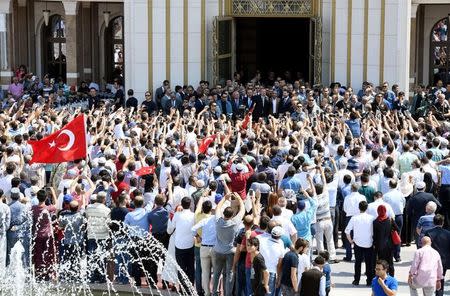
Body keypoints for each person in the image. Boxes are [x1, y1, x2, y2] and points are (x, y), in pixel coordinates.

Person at [212, 192, 245, 296]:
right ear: (232, 215)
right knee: (229, 273)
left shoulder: (218, 221)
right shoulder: (235, 222)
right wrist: (239, 199)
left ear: (224, 214)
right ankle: (228, 294)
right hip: (230, 252)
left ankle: (214, 293)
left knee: (217, 273)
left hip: (218, 251)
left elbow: (217, 208)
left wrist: (224, 198)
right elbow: (243, 210)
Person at [167, 196, 195, 289]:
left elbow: (171, 228)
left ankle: (183, 288)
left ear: (182, 205)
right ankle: (190, 287)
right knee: (190, 267)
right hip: (190, 244)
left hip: (179, 245)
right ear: (190, 205)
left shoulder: (177, 215)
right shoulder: (193, 215)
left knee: (181, 268)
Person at [345, 200, 374, 286]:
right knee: (369, 263)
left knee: (358, 262)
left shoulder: (354, 218)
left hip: (357, 243)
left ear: (359, 208)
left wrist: (350, 241)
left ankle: (356, 280)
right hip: (369, 243)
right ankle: (369, 280)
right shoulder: (371, 218)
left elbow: (347, 231)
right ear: (367, 208)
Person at [424, 214, 450, 296]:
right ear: (442, 222)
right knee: (441, 279)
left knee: (430, 279)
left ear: (433, 222)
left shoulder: (428, 233)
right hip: (444, 260)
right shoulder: (448, 233)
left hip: (431, 260)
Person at [373, 205, 397, 277]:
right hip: (389, 245)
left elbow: (375, 235)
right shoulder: (390, 220)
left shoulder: (375, 222)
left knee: (381, 263)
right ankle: (391, 277)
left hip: (380, 245)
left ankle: (381, 277)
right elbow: (397, 230)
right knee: (390, 262)